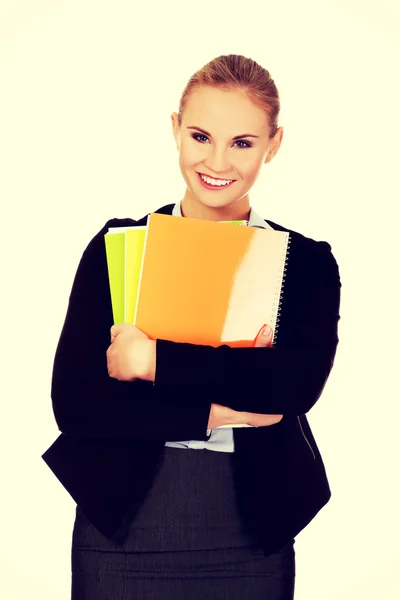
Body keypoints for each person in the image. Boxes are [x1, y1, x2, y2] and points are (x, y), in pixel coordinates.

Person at [42, 54, 341, 599]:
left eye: (243, 143)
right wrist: (215, 409)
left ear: (274, 145)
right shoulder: (119, 248)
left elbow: (291, 388)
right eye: (201, 136)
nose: (218, 161)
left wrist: (153, 361)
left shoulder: (306, 263)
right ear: (175, 129)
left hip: (251, 528)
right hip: (123, 525)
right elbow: (78, 404)